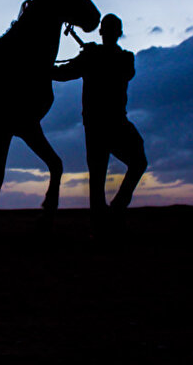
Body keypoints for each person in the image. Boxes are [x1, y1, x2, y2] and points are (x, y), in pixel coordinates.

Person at [53, 13, 148, 229]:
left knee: (124, 166)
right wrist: (89, 56)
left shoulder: (123, 58)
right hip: (101, 123)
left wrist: (92, 55)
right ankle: (106, 221)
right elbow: (63, 73)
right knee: (100, 175)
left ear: (103, 32)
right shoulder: (99, 56)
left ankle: (114, 210)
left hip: (108, 123)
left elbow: (122, 73)